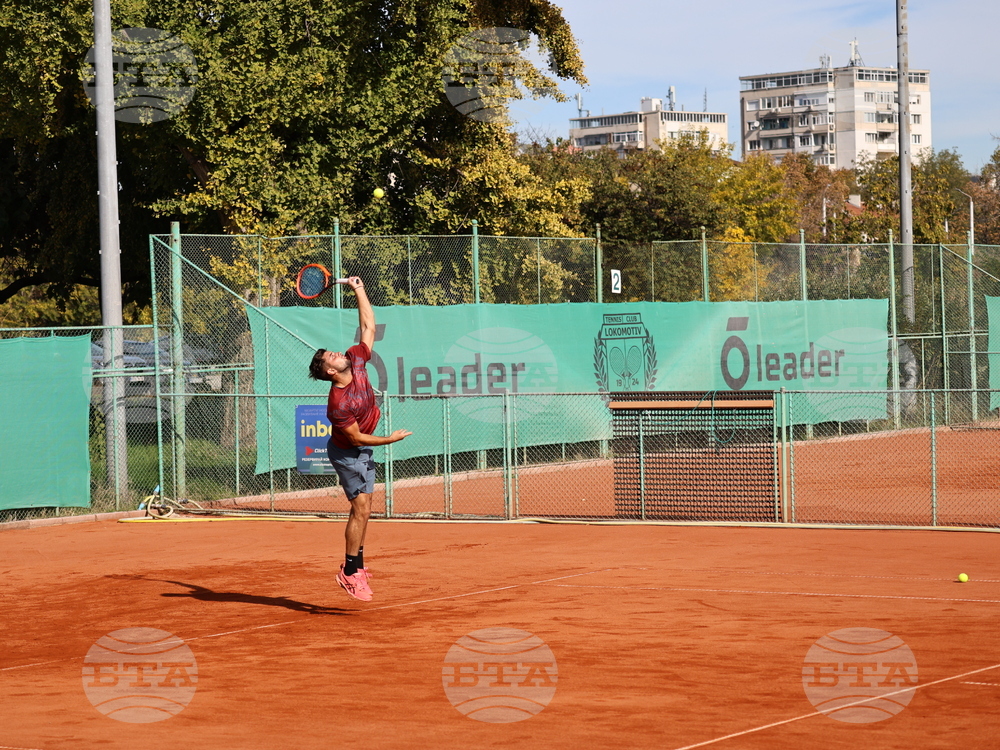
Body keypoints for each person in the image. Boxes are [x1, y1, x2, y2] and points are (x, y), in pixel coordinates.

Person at [307, 277, 411, 601]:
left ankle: (357, 565)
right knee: (361, 508)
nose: (335, 353)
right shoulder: (337, 404)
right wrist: (390, 440)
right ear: (328, 372)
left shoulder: (358, 359)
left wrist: (359, 289)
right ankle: (350, 572)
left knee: (364, 511)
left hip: (362, 449)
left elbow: (368, 326)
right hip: (348, 452)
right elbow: (355, 439)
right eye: (328, 357)